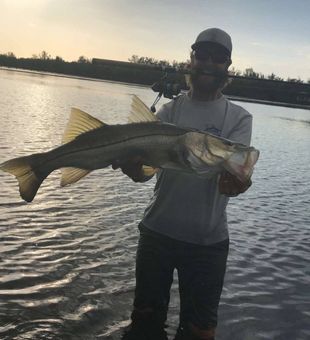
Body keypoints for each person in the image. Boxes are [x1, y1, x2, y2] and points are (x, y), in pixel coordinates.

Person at [114, 28, 253, 340]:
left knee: (200, 331)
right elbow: (143, 174)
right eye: (202, 54)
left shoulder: (239, 117)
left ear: (227, 66)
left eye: (218, 58)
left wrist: (239, 183)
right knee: (145, 322)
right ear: (191, 59)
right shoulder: (169, 111)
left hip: (208, 243)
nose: (209, 62)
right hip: (157, 233)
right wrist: (132, 167)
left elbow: (237, 173)